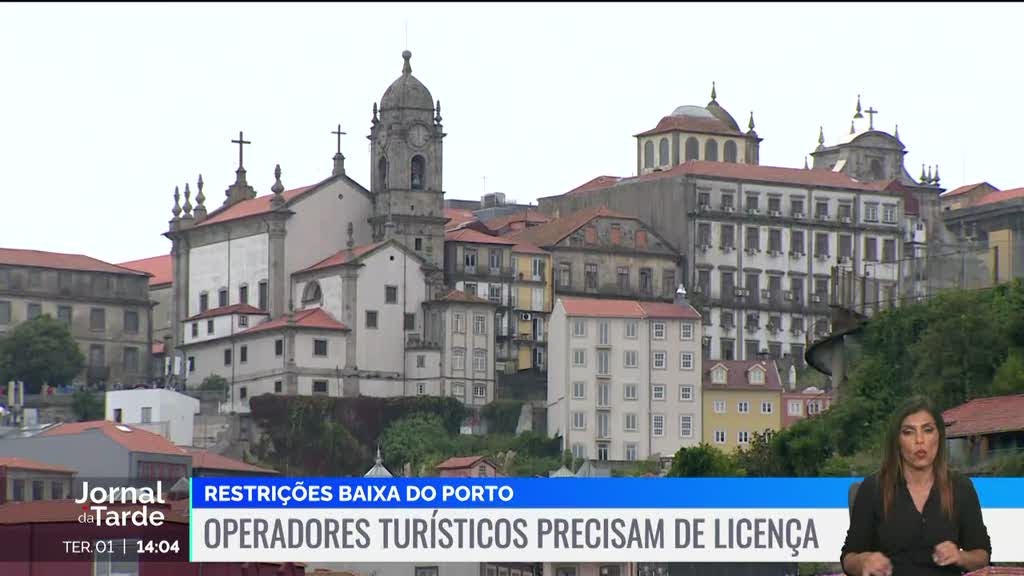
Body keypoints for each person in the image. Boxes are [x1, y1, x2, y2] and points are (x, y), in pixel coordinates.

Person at [841, 396, 991, 575]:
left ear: (939, 436)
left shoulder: (961, 488)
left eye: (927, 430)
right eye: (908, 432)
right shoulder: (873, 488)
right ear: (897, 440)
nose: (919, 440)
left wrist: (961, 557)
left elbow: (982, 555)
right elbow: (849, 558)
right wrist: (862, 562)